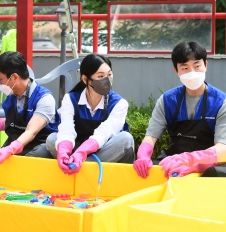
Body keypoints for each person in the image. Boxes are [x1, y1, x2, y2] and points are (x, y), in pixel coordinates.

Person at [133, 41, 226, 178]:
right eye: (185, 68)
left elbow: (222, 148)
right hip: (173, 159)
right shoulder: (167, 100)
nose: (192, 73)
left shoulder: (221, 102)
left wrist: (191, 160)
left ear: (205, 65)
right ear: (176, 71)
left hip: (209, 164)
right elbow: (150, 137)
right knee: (150, 173)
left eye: (197, 66)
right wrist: (142, 156)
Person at [0, 51, 60, 166]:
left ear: (14, 77)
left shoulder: (44, 99)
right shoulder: (12, 96)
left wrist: (9, 150)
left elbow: (31, 132)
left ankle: (6, 166)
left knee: (44, 151)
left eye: (0, 79)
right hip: (10, 152)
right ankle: (7, 165)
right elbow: (12, 122)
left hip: (32, 150)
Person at [46, 54, 134, 175]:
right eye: (100, 76)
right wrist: (63, 151)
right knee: (52, 139)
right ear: (85, 79)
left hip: (104, 151)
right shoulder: (70, 99)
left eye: (109, 74)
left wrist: (81, 154)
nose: (107, 79)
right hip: (77, 147)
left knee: (126, 139)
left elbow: (103, 133)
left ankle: (79, 167)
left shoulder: (119, 103)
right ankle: (76, 164)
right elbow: (66, 129)